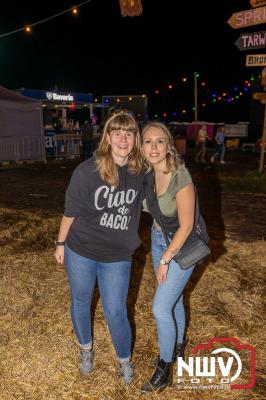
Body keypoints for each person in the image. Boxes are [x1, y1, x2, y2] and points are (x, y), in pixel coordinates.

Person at [54, 112, 145, 384]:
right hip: (81, 249)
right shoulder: (86, 171)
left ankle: (124, 360)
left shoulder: (142, 173)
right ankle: (85, 349)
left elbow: (163, 195)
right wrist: (60, 244)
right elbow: (69, 213)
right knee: (81, 301)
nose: (123, 138)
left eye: (129, 133)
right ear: (107, 137)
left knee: (115, 309)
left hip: (117, 255)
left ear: (135, 139)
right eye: (116, 133)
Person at [140, 121, 196, 393]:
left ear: (168, 145)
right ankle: (177, 350)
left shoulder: (179, 175)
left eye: (159, 141)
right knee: (172, 302)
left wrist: (164, 259)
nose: (153, 147)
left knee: (160, 308)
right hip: (158, 238)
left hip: (182, 245)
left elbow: (186, 226)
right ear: (141, 146)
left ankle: (164, 370)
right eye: (148, 141)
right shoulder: (145, 174)